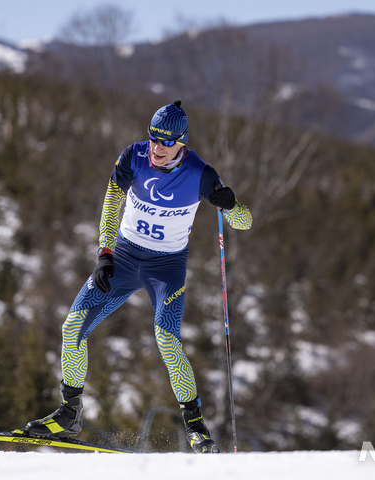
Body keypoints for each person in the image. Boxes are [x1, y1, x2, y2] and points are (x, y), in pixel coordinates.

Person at [20, 100, 252, 453]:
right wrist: (104, 253)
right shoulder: (134, 156)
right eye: (153, 139)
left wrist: (232, 205)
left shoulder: (200, 173)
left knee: (167, 338)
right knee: (72, 327)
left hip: (167, 268)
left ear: (182, 142)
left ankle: (196, 426)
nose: (157, 149)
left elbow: (245, 222)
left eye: (166, 142)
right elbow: (113, 200)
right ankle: (69, 413)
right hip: (124, 258)